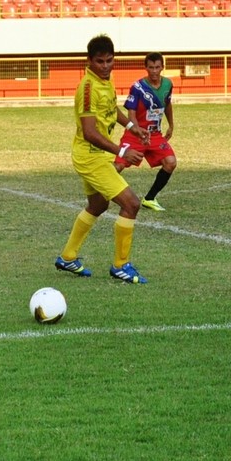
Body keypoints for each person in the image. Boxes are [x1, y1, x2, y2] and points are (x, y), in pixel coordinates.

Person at [55, 34, 151, 284]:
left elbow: (111, 109)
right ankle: (120, 265)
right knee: (131, 204)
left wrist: (133, 126)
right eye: (100, 62)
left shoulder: (106, 81)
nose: (105, 66)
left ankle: (67, 257)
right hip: (90, 157)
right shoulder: (87, 88)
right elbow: (89, 132)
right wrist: (122, 151)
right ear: (89, 61)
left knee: (98, 205)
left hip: (95, 156)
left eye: (109, 61)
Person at [114, 52, 177, 212]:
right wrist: (136, 131)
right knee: (118, 166)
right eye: (151, 67)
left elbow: (167, 104)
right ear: (146, 68)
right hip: (135, 134)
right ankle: (102, 194)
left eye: (157, 67)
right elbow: (131, 112)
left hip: (154, 134)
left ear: (162, 67)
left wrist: (171, 125)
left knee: (170, 162)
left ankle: (149, 198)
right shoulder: (137, 88)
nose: (154, 71)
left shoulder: (168, 84)